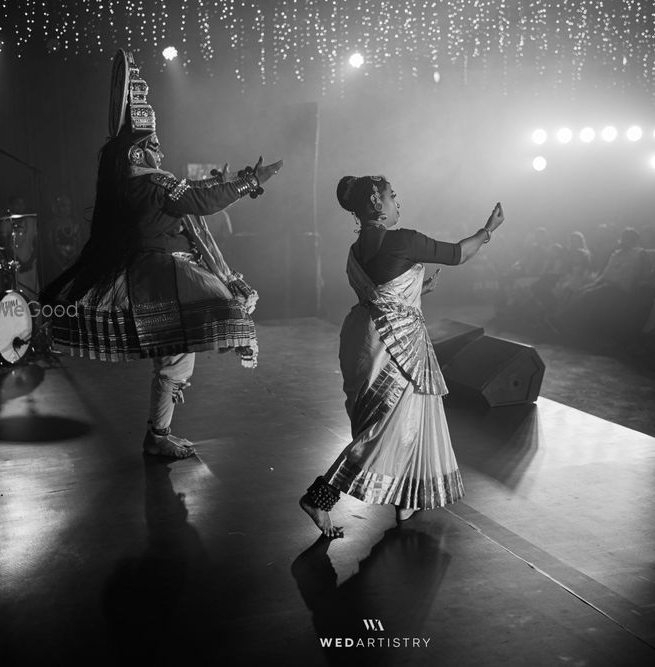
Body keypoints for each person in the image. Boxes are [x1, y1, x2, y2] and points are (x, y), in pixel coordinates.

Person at [42, 50, 282, 459]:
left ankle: (160, 433)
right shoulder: (154, 183)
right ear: (137, 153)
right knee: (198, 334)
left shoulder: (131, 187)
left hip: (147, 277)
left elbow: (194, 198)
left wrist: (225, 184)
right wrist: (248, 181)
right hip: (159, 279)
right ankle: (157, 436)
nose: (160, 151)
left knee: (177, 357)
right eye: (153, 145)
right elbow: (202, 202)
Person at [299, 174, 505, 537]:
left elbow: (381, 296)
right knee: (387, 428)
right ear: (376, 202)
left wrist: (416, 289)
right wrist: (488, 230)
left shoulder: (355, 251)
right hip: (396, 347)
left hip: (363, 340)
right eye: (393, 196)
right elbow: (458, 253)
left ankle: (406, 495)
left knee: (394, 420)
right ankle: (322, 495)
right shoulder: (403, 240)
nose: (399, 202)